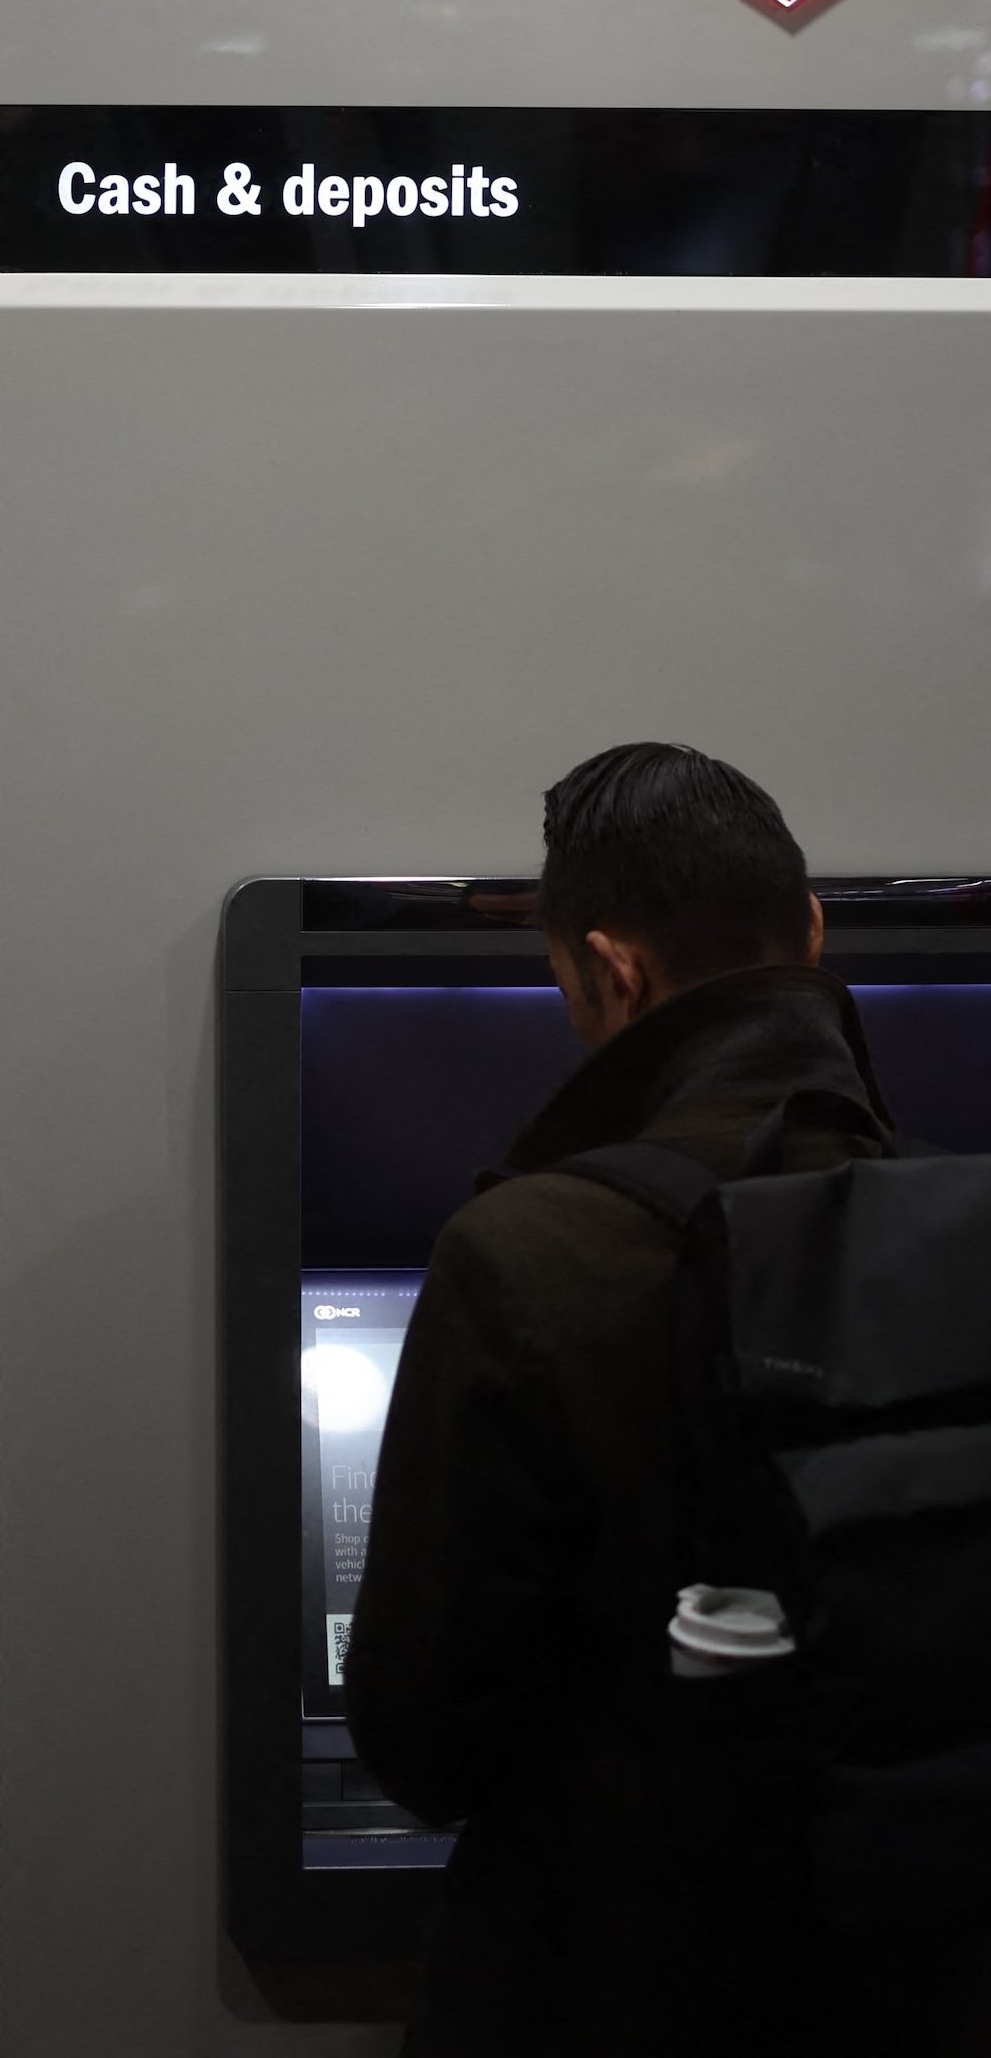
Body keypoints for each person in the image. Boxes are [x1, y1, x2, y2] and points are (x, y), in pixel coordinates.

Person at [342, 743, 933, 2056]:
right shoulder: (958, 1236)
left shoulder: (529, 1255)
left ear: (612, 969)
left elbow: (419, 1737)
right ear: (816, 933)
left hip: (606, 1984)